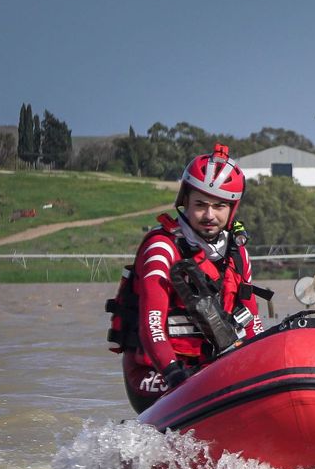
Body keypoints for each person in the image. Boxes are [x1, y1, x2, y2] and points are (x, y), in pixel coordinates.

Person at [108, 143, 268, 412]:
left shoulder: (238, 253)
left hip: (209, 368)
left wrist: (265, 361)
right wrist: (174, 374)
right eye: (200, 204)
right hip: (155, 374)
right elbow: (152, 325)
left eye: (219, 206)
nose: (209, 215)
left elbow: (251, 321)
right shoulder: (161, 249)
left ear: (232, 208)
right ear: (185, 201)